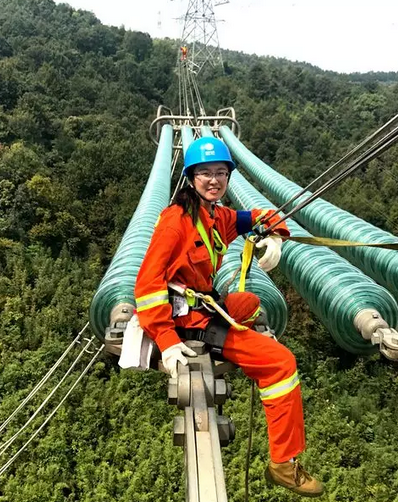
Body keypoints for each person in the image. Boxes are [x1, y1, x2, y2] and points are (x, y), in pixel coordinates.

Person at [134, 137, 324, 497]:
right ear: (191, 178)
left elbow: (256, 217)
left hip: (206, 304)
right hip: (189, 322)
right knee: (281, 363)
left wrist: (276, 235)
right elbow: (147, 285)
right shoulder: (175, 223)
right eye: (205, 173)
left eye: (220, 172)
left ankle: (239, 347)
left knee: (249, 302)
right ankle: (284, 464)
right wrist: (167, 340)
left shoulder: (215, 214)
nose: (213, 179)